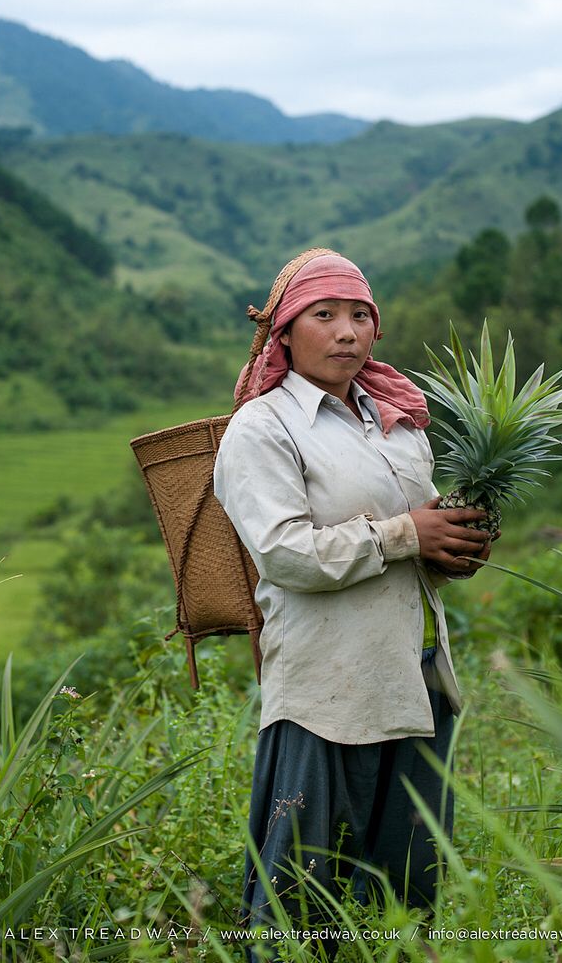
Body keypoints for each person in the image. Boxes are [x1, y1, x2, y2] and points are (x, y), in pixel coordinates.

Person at [213, 249, 493, 955]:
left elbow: (410, 546)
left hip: (415, 678)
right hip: (325, 691)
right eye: (324, 315)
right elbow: (284, 553)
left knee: (406, 889)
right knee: (304, 897)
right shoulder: (263, 429)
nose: (347, 331)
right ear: (282, 334)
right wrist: (407, 532)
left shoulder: (393, 420)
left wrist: (448, 548)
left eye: (360, 315)